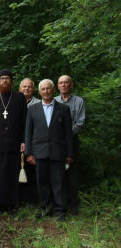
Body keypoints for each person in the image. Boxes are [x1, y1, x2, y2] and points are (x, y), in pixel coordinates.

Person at [25, 79, 73, 221]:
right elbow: (28, 132)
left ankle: (60, 210)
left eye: (48, 88)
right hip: (39, 152)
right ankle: (45, 208)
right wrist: (29, 152)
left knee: (58, 182)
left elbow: (68, 134)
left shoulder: (63, 109)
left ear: (53, 90)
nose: (46, 91)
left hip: (58, 152)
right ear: (39, 92)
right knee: (42, 182)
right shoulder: (32, 109)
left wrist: (69, 153)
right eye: (43, 89)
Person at [0, 69, 27, 214]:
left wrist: (23, 140)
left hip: (14, 143)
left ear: (11, 81)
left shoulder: (19, 98)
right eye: (2, 78)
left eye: (7, 78)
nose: (4, 81)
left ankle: (13, 204)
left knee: (12, 173)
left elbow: (24, 121)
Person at [55, 75, 85, 215]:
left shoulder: (79, 101)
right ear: (58, 86)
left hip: (72, 140)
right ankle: (61, 203)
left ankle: (74, 204)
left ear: (71, 84)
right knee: (58, 172)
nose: (64, 85)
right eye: (61, 83)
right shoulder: (54, 101)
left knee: (73, 173)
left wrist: (66, 134)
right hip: (56, 142)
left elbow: (80, 123)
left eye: (66, 82)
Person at [19, 78, 40, 204]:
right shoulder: (14, 102)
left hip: (34, 143)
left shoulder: (39, 103)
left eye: (29, 87)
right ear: (20, 88)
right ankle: (22, 199)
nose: (26, 89)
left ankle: (34, 199)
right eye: (24, 86)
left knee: (33, 171)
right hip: (18, 143)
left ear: (33, 89)